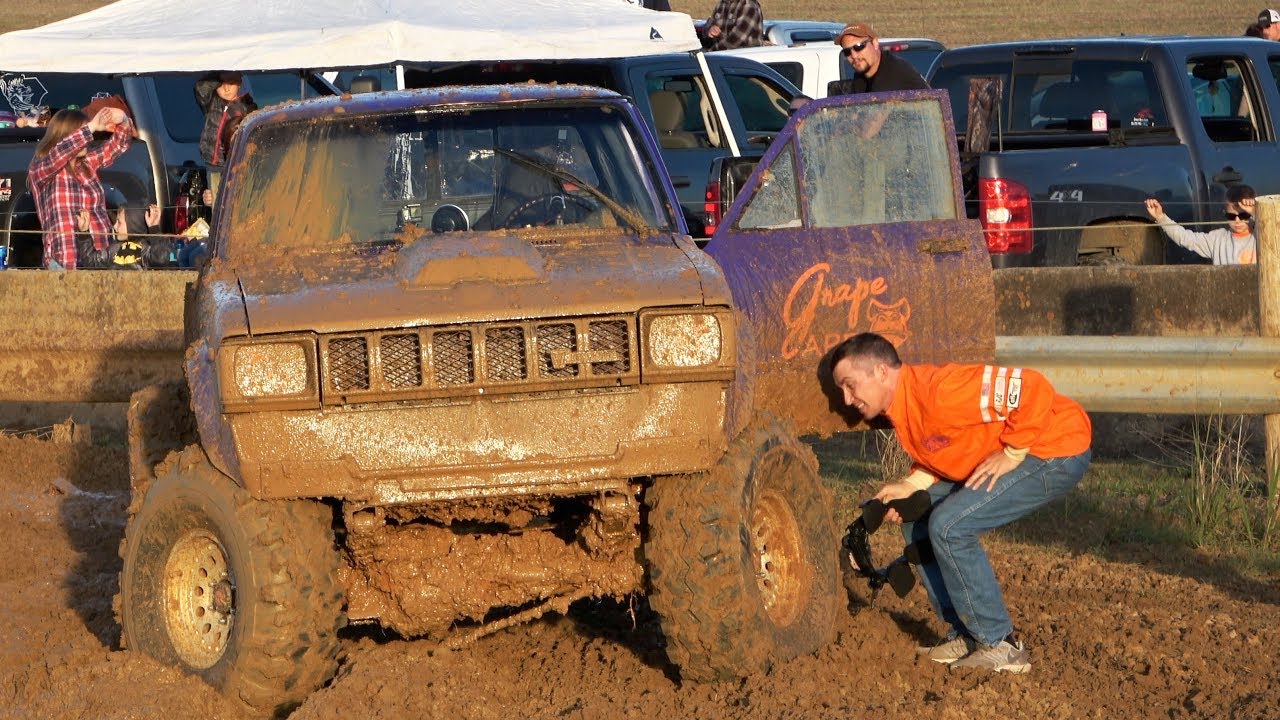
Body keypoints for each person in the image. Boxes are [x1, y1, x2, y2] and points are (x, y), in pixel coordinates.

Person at [830, 332, 1092, 673]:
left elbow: (1031, 387)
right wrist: (910, 484)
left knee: (950, 526)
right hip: (1029, 449)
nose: (848, 400)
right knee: (917, 513)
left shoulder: (941, 390)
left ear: (881, 372)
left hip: (1056, 448)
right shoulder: (905, 407)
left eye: (850, 385)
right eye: (842, 391)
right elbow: (948, 446)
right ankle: (967, 632)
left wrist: (1013, 452)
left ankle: (1001, 644)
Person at [28, 107, 132, 269]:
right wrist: (91, 127)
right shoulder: (42, 167)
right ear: (66, 135)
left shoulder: (86, 163)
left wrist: (123, 120)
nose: (88, 139)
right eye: (82, 132)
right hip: (65, 262)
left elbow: (118, 145)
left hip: (99, 260)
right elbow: (61, 152)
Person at [1144, 186, 1257, 265]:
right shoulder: (1217, 239)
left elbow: (1271, 234)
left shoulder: (1261, 236)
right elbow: (1185, 238)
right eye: (1231, 216)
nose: (1237, 220)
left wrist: (1256, 213)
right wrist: (1160, 217)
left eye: (1244, 215)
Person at [194, 71, 257, 197]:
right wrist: (218, 77)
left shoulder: (246, 106)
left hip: (234, 164)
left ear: (239, 83)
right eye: (222, 84)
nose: (226, 88)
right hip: (212, 163)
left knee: (233, 197)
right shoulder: (212, 102)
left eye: (231, 83)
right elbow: (201, 88)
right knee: (214, 198)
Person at [827, 23, 930, 96]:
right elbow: (856, 114)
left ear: (875, 43)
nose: (854, 55)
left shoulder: (891, 70)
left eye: (859, 46)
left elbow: (873, 123)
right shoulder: (861, 75)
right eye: (847, 51)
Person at [699, 0, 764, 52]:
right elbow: (707, 25)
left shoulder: (748, 5)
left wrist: (710, 52)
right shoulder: (721, 4)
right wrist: (709, 29)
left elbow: (736, 40)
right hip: (722, 55)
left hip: (745, 59)